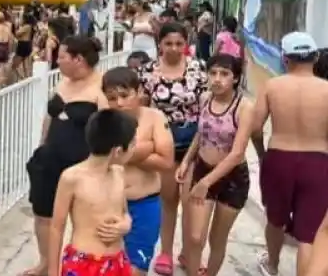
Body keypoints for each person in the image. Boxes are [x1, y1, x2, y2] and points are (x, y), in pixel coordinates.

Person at [22, 35, 108, 276]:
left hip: (82, 165)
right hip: (50, 159)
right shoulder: (63, 82)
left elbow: (107, 129)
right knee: (43, 214)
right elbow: (49, 117)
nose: (56, 61)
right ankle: (46, 263)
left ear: (78, 59)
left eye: (61, 57)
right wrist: (41, 146)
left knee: (84, 220)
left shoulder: (102, 87)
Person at [252, 32, 328, 276]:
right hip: (317, 161)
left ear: (285, 59)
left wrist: (262, 154)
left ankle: (272, 265)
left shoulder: (272, 86)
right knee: (310, 230)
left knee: (276, 219)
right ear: (315, 57)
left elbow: (255, 128)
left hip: (279, 158)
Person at [139, 22, 207, 276]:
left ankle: (190, 253)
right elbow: (143, 108)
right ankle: (165, 252)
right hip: (163, 145)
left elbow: (206, 108)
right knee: (168, 202)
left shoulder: (198, 69)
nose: (174, 48)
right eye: (168, 43)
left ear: (186, 44)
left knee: (191, 203)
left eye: (179, 43)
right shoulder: (148, 71)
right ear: (160, 43)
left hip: (194, 144)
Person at [176, 54, 252, 276]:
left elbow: (237, 153)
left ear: (236, 79)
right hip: (203, 168)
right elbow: (202, 133)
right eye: (213, 73)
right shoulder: (205, 99)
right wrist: (187, 160)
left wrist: (206, 183)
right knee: (195, 237)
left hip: (233, 178)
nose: (217, 79)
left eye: (225, 74)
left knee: (217, 239)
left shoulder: (244, 107)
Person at [103, 66, 174, 276]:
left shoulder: (154, 117)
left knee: (135, 269)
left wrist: (124, 155)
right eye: (112, 98)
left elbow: (166, 161)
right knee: (106, 264)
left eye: (125, 95)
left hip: (145, 204)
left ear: (139, 91)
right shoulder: (103, 121)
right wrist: (148, 147)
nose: (120, 103)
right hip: (109, 204)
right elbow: (101, 159)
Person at [49, 109, 138, 276]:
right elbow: (56, 228)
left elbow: (124, 211)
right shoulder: (72, 178)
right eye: (133, 144)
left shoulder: (119, 173)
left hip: (117, 262)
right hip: (83, 264)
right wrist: (52, 273)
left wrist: (126, 224)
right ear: (118, 151)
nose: (135, 148)